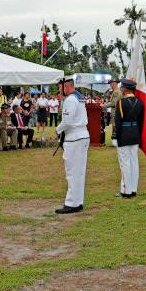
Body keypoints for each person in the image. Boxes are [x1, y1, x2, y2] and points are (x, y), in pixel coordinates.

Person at [54, 75, 89, 214]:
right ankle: (77, 201)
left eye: (59, 87)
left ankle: (72, 203)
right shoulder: (79, 97)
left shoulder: (70, 99)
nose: (59, 90)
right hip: (81, 136)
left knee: (72, 172)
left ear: (66, 86)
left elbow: (67, 122)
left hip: (74, 138)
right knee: (79, 172)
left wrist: (57, 129)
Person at [113, 79, 145, 198]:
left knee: (125, 163)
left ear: (126, 89)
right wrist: (138, 134)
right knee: (134, 162)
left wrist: (117, 137)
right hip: (135, 134)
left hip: (124, 135)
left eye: (122, 87)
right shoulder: (140, 103)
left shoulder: (121, 103)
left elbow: (118, 122)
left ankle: (126, 191)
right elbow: (141, 122)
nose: (121, 89)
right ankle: (133, 189)